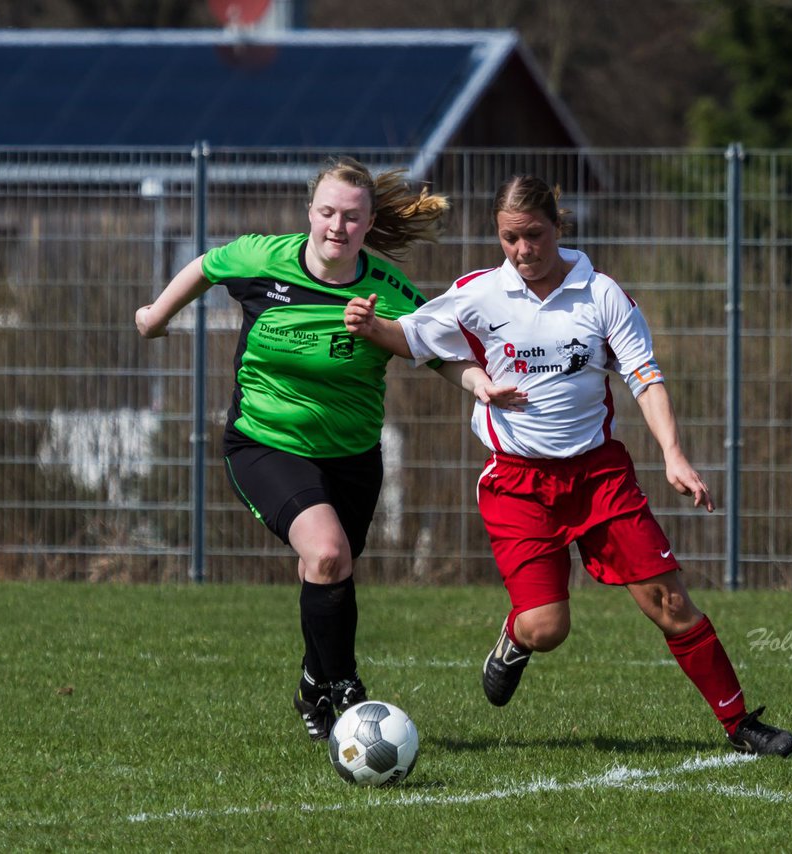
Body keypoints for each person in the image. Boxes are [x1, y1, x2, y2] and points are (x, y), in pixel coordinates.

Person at [344, 174, 792, 756]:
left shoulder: (600, 293)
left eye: (533, 235)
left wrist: (673, 454)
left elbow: (644, 376)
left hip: (599, 477)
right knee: (546, 628)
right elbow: (412, 337)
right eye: (510, 239)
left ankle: (741, 725)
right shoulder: (479, 294)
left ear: (558, 225)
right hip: (517, 484)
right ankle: (514, 638)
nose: (523, 250)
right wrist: (368, 325)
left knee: (672, 604)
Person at [135, 157, 516, 742]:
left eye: (352, 217)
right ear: (310, 213)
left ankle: (313, 679)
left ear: (369, 224)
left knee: (327, 568)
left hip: (353, 455)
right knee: (329, 552)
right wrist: (156, 315)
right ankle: (345, 686)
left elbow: (437, 351)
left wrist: (479, 384)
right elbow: (208, 266)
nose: (337, 227)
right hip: (266, 441)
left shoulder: (385, 291)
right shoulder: (264, 258)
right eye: (328, 212)